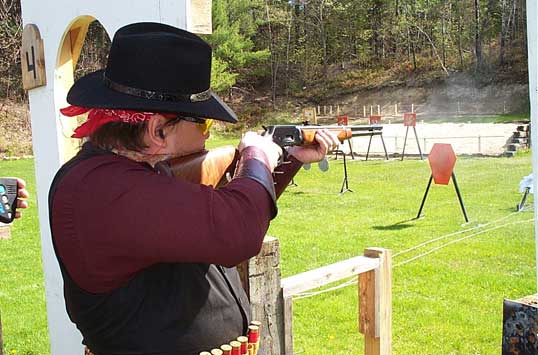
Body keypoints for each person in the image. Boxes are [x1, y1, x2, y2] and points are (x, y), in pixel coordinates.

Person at [49, 22, 339, 355]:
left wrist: (288, 160)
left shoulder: (133, 173)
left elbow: (229, 211)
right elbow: (238, 228)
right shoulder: (104, 191)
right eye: (202, 122)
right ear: (158, 132)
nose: (207, 135)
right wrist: (256, 154)